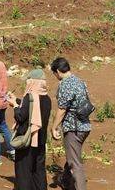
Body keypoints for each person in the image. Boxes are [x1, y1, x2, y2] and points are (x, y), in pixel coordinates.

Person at [50, 57, 91, 190]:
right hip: (85, 126)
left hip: (73, 128)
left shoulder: (65, 84)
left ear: (57, 71)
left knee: (75, 164)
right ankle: (66, 182)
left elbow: (62, 109)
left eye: (54, 74)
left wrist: (53, 127)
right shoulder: (80, 82)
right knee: (73, 156)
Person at [9, 69, 52, 190]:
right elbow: (32, 108)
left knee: (23, 170)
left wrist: (15, 106)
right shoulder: (47, 98)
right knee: (39, 169)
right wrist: (17, 100)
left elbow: (21, 116)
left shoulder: (30, 97)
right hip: (41, 139)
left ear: (32, 82)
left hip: (27, 140)